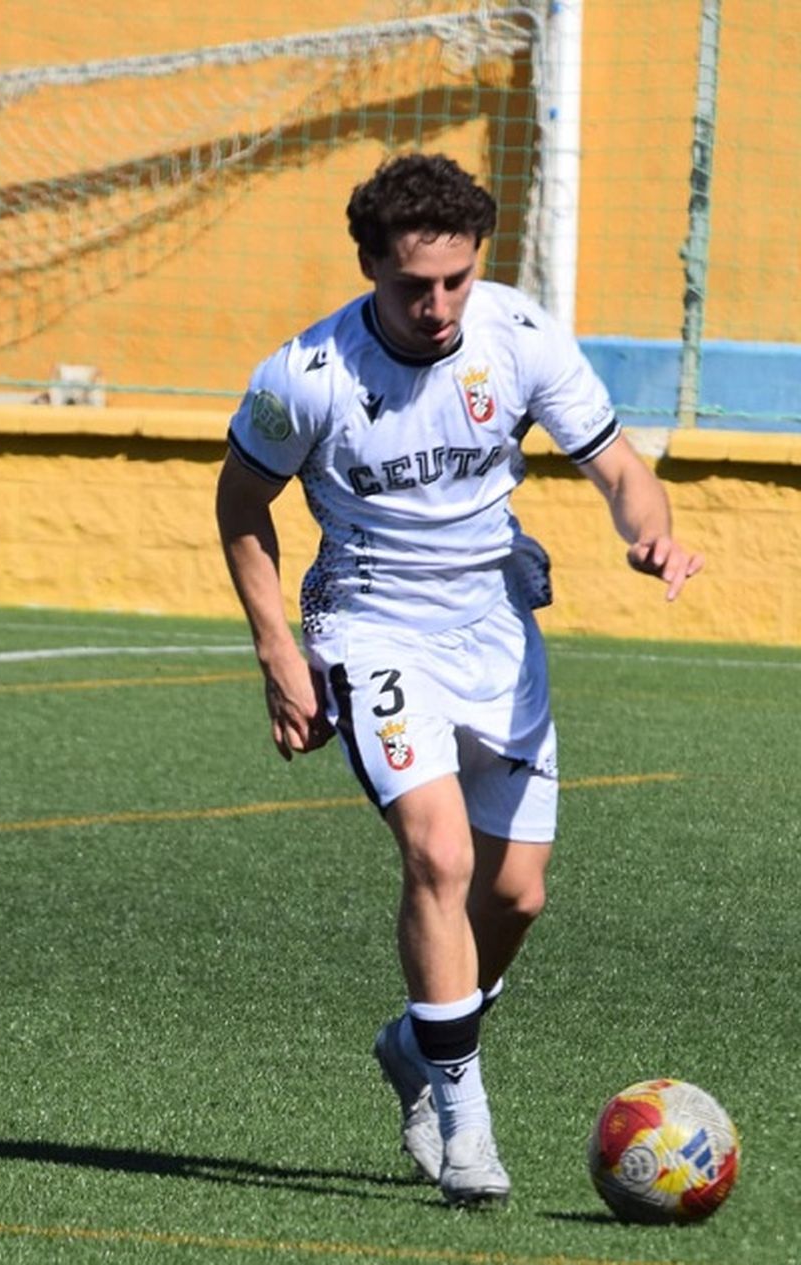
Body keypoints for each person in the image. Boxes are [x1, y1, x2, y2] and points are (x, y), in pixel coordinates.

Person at [215, 153, 702, 1208]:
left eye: (455, 280)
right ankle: (463, 1120)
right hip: (369, 626)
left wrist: (647, 533)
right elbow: (240, 505)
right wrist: (277, 652)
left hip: (495, 631)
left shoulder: (516, 337)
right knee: (437, 851)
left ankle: (417, 1039)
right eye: (411, 286)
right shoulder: (304, 376)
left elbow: (616, 463)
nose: (436, 306)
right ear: (368, 269)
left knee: (516, 894)